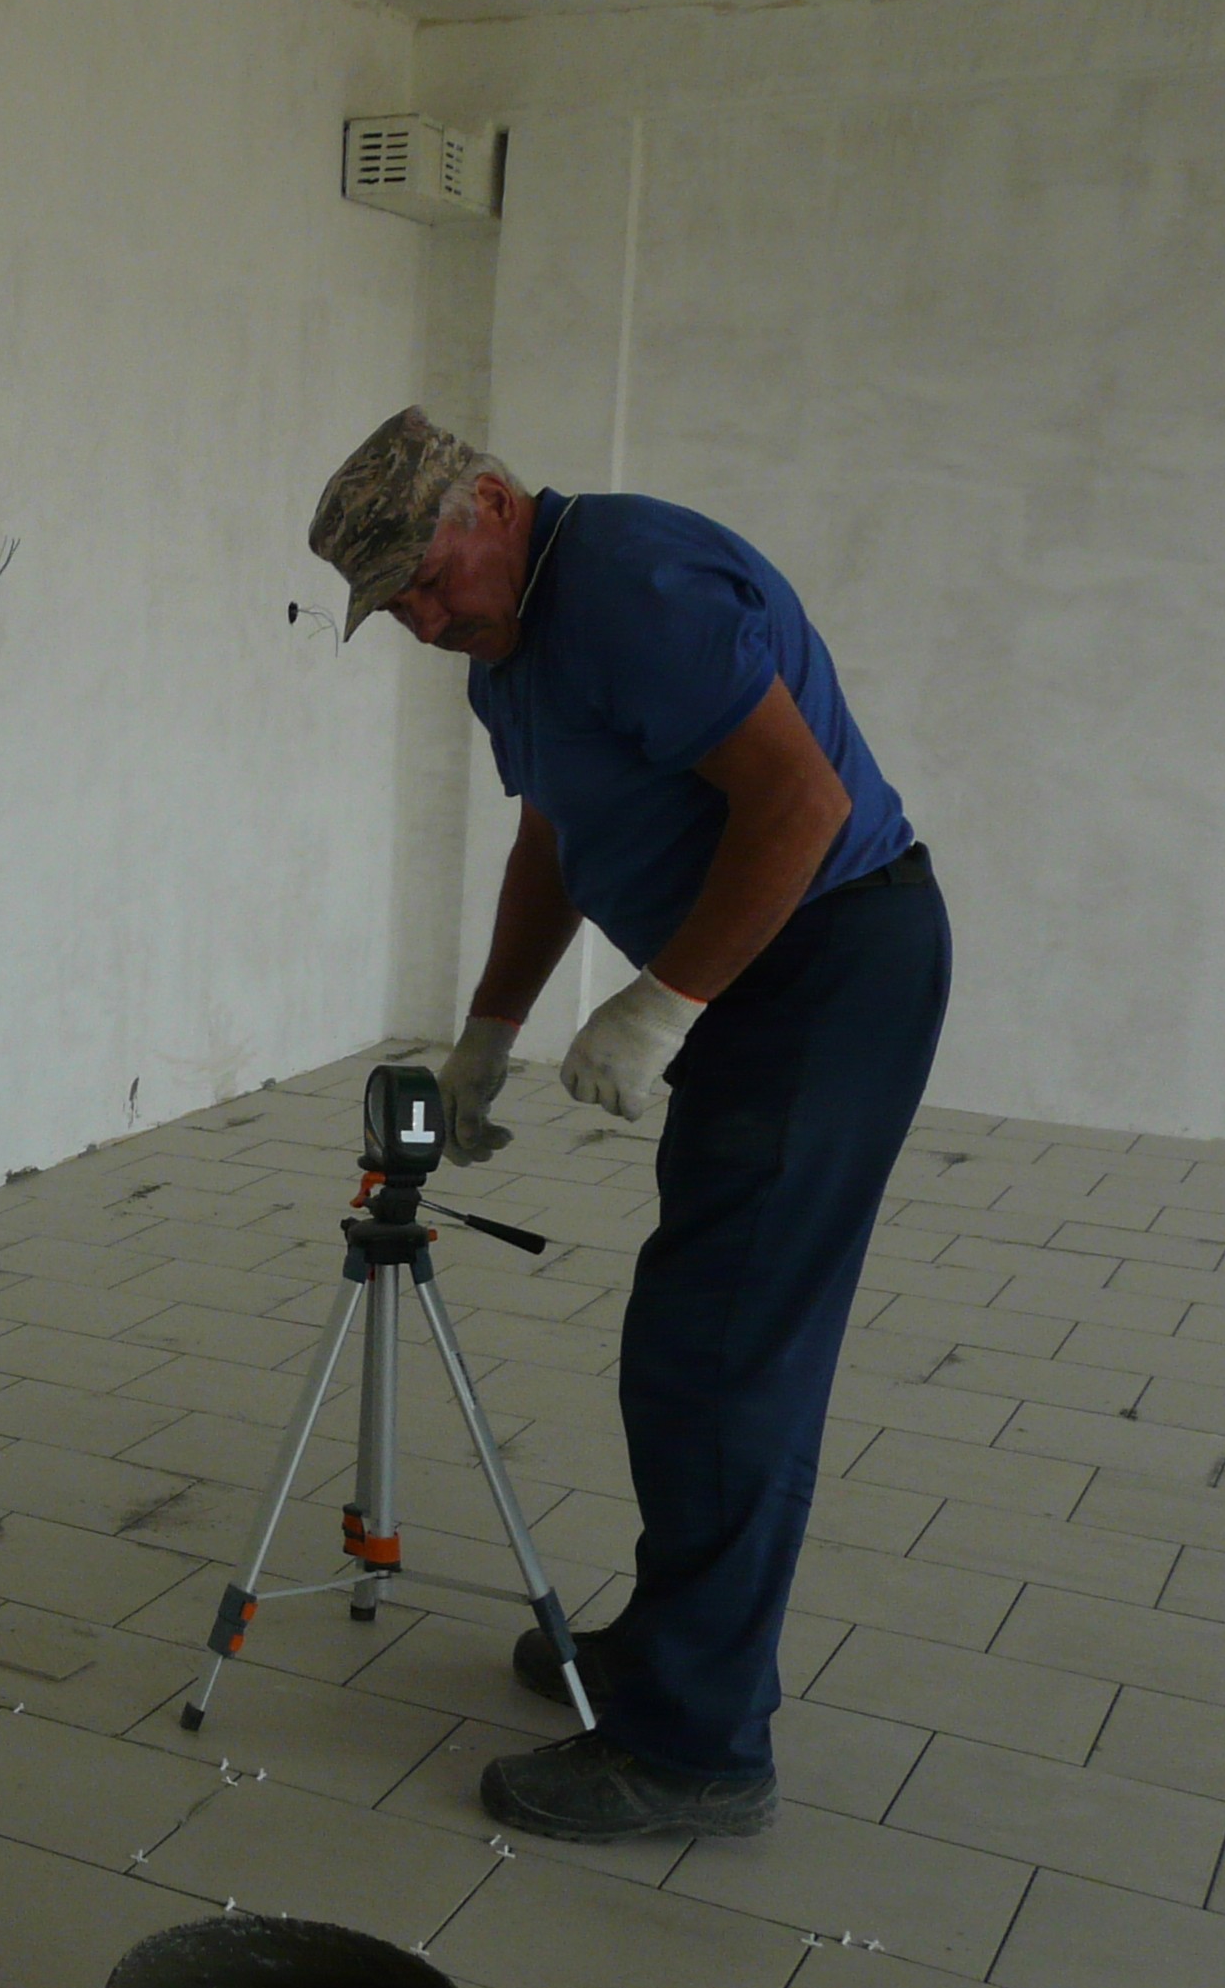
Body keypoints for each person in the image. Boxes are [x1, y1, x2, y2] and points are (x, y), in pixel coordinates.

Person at [307, 409, 950, 1845]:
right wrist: (489, 1031)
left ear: (491, 503)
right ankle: (674, 1653)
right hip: (771, 976)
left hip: (830, 968)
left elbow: (801, 804)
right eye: (394, 607)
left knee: (723, 1353)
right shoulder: (515, 647)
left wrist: (665, 1003)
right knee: (697, 1339)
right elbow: (556, 834)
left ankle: (698, 1749)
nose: (423, 622)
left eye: (426, 581)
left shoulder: (631, 589)